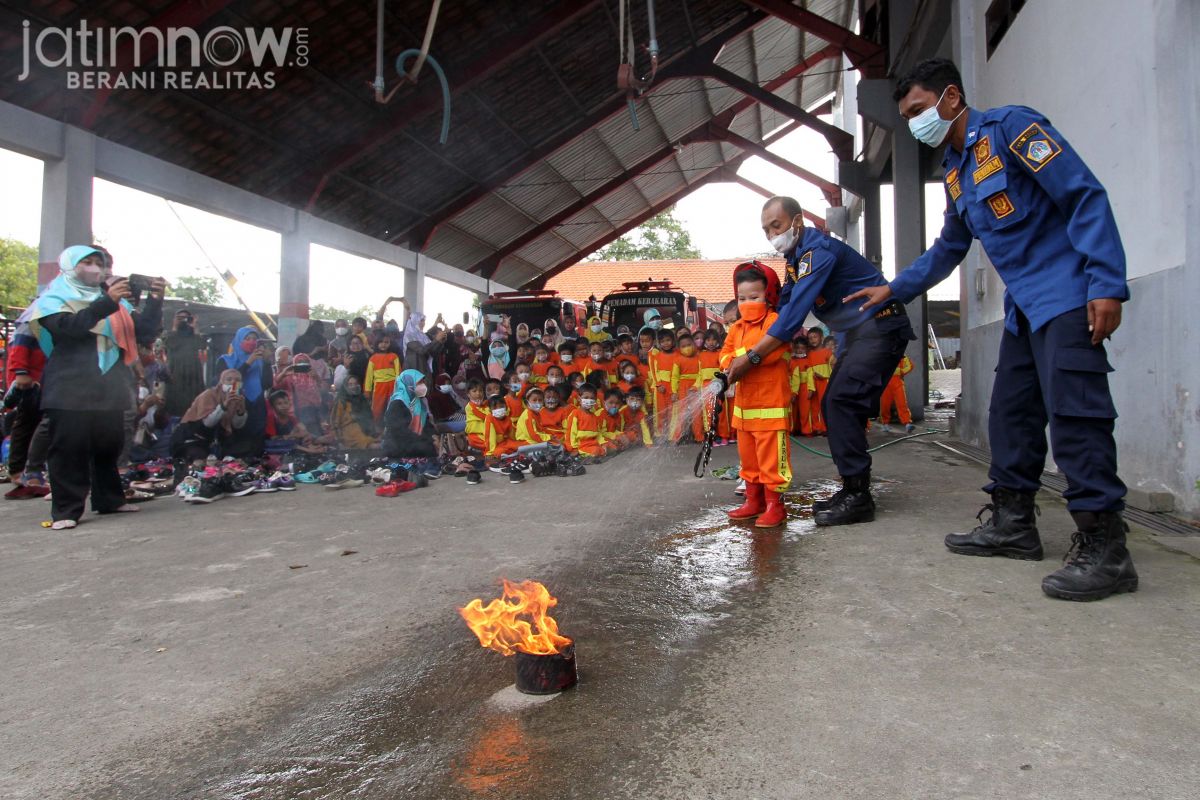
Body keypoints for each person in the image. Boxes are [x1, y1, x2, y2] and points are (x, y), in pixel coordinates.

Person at [845, 57, 1136, 601]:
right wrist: (895, 288)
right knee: (1011, 416)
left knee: (1076, 418)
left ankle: (1107, 548)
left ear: (951, 97)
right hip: (1025, 310)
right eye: (906, 117)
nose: (914, 123)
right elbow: (949, 247)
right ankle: (1013, 524)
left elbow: (1082, 194)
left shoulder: (1012, 129)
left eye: (918, 109)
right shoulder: (956, 171)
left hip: (1069, 296)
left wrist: (1106, 281)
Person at [724, 196, 915, 527]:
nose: (772, 235)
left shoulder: (817, 252)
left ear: (797, 221)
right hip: (858, 332)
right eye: (766, 229)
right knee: (836, 404)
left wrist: (752, 357)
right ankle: (852, 487)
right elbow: (782, 306)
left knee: (841, 402)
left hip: (881, 326)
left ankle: (858, 496)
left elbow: (794, 315)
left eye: (777, 225)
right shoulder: (795, 260)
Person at [26, 246, 164, 528]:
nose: (94, 268)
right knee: (69, 448)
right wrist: (106, 302)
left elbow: (144, 332)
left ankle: (109, 499)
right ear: (68, 265)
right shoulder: (54, 299)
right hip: (70, 386)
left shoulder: (115, 302)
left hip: (108, 385)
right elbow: (70, 328)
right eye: (86, 262)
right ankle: (66, 510)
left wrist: (155, 301)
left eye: (98, 263)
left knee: (108, 445)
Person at [720, 262, 791, 528]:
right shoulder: (736, 328)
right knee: (749, 461)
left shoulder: (775, 322)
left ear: (768, 296)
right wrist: (734, 361)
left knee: (772, 463)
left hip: (771, 408)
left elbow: (769, 353)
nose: (747, 303)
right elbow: (724, 355)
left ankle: (775, 506)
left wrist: (741, 359)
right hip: (744, 411)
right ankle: (754, 501)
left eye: (754, 297)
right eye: (742, 298)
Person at [170, 368, 249, 475]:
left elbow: (237, 425)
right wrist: (224, 405)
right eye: (229, 379)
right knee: (199, 457)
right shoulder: (209, 395)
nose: (233, 382)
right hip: (192, 438)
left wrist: (241, 410)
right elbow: (208, 423)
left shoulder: (237, 397)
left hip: (213, 440)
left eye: (237, 380)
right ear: (221, 382)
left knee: (247, 448)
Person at [3, 319, 48, 499]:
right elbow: (19, 347)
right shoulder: (31, 321)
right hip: (31, 381)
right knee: (27, 423)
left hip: (43, 378)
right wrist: (21, 372)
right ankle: (19, 471)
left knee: (34, 423)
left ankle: (27, 470)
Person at [216, 326, 272, 452]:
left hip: (257, 403)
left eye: (254, 339)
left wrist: (267, 362)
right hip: (235, 402)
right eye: (247, 339)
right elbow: (229, 380)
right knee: (237, 439)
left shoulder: (260, 361)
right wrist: (248, 362)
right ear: (238, 340)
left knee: (257, 442)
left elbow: (267, 384)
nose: (251, 342)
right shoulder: (225, 360)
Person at [382, 369, 438, 460]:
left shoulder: (417, 402)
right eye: (419, 383)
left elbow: (426, 423)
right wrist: (427, 440)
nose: (423, 386)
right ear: (409, 384)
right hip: (398, 447)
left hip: (415, 442)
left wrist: (434, 436)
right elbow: (398, 432)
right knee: (428, 448)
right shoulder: (397, 403)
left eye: (423, 382)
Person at [162, 308, 206, 417]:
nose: (183, 320)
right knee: (174, 398)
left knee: (193, 400)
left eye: (186, 318)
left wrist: (195, 327)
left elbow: (201, 345)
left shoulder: (193, 335)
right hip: (176, 370)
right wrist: (175, 326)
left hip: (193, 372)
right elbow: (170, 344)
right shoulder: (171, 334)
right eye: (180, 318)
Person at [328, 374, 378, 450]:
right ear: (346, 386)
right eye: (350, 384)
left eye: (355, 384)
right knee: (368, 443)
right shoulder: (341, 401)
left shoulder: (362, 399)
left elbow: (369, 417)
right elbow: (334, 422)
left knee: (377, 439)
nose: (353, 387)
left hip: (363, 430)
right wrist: (338, 440)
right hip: (349, 433)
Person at [670, 331, 703, 443]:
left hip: (696, 388)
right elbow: (674, 377)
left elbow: (701, 373)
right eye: (683, 346)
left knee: (697, 413)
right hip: (683, 387)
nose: (687, 348)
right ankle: (677, 437)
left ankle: (699, 436)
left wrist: (695, 386)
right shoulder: (677, 359)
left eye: (689, 345)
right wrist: (674, 391)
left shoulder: (700, 357)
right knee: (681, 412)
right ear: (679, 348)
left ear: (693, 344)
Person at [364, 335, 401, 423]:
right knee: (377, 408)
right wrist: (367, 391)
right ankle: (376, 426)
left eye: (386, 342)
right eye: (381, 342)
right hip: (379, 386)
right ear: (377, 344)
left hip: (393, 385)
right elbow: (369, 376)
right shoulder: (373, 358)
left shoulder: (394, 356)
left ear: (390, 344)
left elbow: (398, 373)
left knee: (393, 407)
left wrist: (399, 387)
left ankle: (391, 427)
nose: (383, 344)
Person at [647, 329, 677, 438]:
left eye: (668, 340)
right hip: (660, 388)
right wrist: (658, 384)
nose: (666, 343)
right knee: (660, 411)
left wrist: (675, 389)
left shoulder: (677, 355)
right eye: (662, 341)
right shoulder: (657, 356)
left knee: (673, 411)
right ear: (659, 343)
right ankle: (659, 434)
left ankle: (672, 435)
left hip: (673, 387)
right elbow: (654, 372)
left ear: (673, 341)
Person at [564, 384, 606, 458]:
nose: (589, 400)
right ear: (579, 399)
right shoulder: (575, 414)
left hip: (593, 444)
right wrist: (573, 449)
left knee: (610, 447)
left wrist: (603, 444)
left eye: (592, 398)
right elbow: (570, 434)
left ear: (595, 400)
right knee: (596, 451)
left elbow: (598, 434)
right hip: (581, 446)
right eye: (586, 397)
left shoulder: (594, 417)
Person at [879, 355, 915, 433]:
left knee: (902, 403)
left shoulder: (901, 355)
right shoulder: (882, 354)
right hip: (885, 383)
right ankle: (885, 423)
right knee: (885, 405)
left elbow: (910, 366)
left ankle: (907, 423)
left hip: (898, 383)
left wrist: (901, 371)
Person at [789, 337, 816, 437]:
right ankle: (792, 429)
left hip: (804, 387)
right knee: (793, 409)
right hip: (792, 387)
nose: (800, 350)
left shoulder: (808, 361)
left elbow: (810, 375)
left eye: (802, 348)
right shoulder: (791, 360)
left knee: (805, 409)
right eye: (798, 348)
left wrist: (811, 389)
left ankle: (807, 430)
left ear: (806, 349)